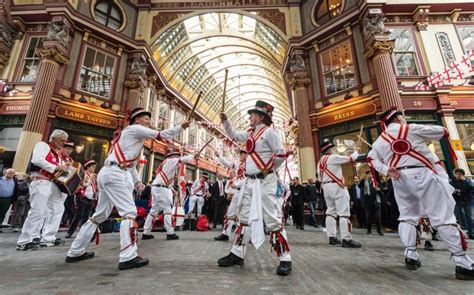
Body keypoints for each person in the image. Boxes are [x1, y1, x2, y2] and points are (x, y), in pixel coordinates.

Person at [66, 107, 189, 270]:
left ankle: (75, 251)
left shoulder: (128, 138)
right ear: (137, 120)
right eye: (146, 119)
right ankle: (128, 256)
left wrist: (138, 181)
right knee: (130, 213)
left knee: (100, 215)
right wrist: (182, 127)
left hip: (109, 172)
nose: (149, 122)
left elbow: (129, 165)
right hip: (116, 174)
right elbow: (162, 135)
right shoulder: (135, 129)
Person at [367, 107, 474, 280]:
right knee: (442, 216)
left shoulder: (380, 141)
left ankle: (411, 255)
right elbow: (440, 131)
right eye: (402, 117)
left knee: (407, 216)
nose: (404, 120)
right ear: (398, 119)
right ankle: (462, 262)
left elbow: (371, 159)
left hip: (399, 179)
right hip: (422, 174)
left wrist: (387, 169)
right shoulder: (410, 128)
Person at [217, 100, 292, 276]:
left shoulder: (270, 133)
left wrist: (268, 169)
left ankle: (285, 258)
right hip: (249, 182)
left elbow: (281, 154)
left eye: (252, 115)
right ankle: (237, 253)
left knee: (272, 218)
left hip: (265, 181)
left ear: (260, 117)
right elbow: (234, 135)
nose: (249, 117)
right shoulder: (251, 133)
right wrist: (225, 121)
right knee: (243, 217)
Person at [17, 129, 69, 250]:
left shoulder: (58, 154)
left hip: (54, 183)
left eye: (65, 141)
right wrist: (56, 167)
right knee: (37, 211)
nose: (63, 143)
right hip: (41, 180)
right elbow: (37, 160)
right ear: (53, 138)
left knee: (58, 209)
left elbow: (62, 171)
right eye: (61, 141)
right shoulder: (42, 145)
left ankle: (48, 238)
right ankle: (24, 241)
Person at [142, 148, 197, 241]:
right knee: (167, 210)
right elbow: (182, 160)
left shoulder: (166, 164)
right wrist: (193, 156)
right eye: (177, 156)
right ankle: (170, 233)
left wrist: (171, 189)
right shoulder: (170, 161)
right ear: (173, 156)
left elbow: (166, 180)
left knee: (153, 211)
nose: (178, 158)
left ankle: (146, 232)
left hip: (157, 188)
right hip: (161, 189)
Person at [317, 141, 361, 248]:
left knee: (330, 212)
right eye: (334, 149)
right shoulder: (333, 158)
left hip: (326, 187)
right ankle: (346, 239)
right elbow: (351, 158)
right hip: (337, 186)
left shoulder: (320, 162)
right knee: (343, 213)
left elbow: (319, 178)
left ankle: (332, 237)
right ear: (330, 150)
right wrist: (357, 151)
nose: (335, 150)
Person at [39, 141, 76, 247]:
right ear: (61, 147)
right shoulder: (55, 156)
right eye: (67, 148)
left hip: (64, 188)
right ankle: (43, 236)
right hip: (51, 184)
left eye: (71, 149)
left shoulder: (71, 161)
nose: (69, 151)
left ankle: (48, 236)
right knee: (48, 210)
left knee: (56, 210)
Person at [215, 148, 247, 241]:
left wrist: (237, 184)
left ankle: (245, 235)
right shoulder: (238, 164)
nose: (240, 155)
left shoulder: (250, 165)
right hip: (237, 191)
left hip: (245, 192)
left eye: (242, 153)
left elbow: (248, 178)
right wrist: (219, 156)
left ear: (247, 155)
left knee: (243, 215)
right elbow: (227, 163)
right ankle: (225, 233)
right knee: (230, 213)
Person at [65, 159, 98, 239]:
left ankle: (83, 233)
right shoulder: (83, 173)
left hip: (91, 197)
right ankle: (70, 232)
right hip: (82, 196)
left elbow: (95, 186)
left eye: (94, 167)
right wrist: (89, 181)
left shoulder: (93, 175)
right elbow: (81, 183)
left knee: (86, 216)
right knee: (79, 215)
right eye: (92, 167)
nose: (94, 169)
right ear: (87, 166)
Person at [451, 168, 473, 239]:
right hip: (457, 202)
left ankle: (471, 233)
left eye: (458, 174)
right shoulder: (451, 182)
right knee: (455, 218)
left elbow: (472, 186)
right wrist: (455, 191)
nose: (456, 175)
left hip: (467, 201)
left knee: (470, 218)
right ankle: (456, 233)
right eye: (455, 173)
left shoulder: (467, 181)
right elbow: (449, 190)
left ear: (462, 174)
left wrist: (464, 180)